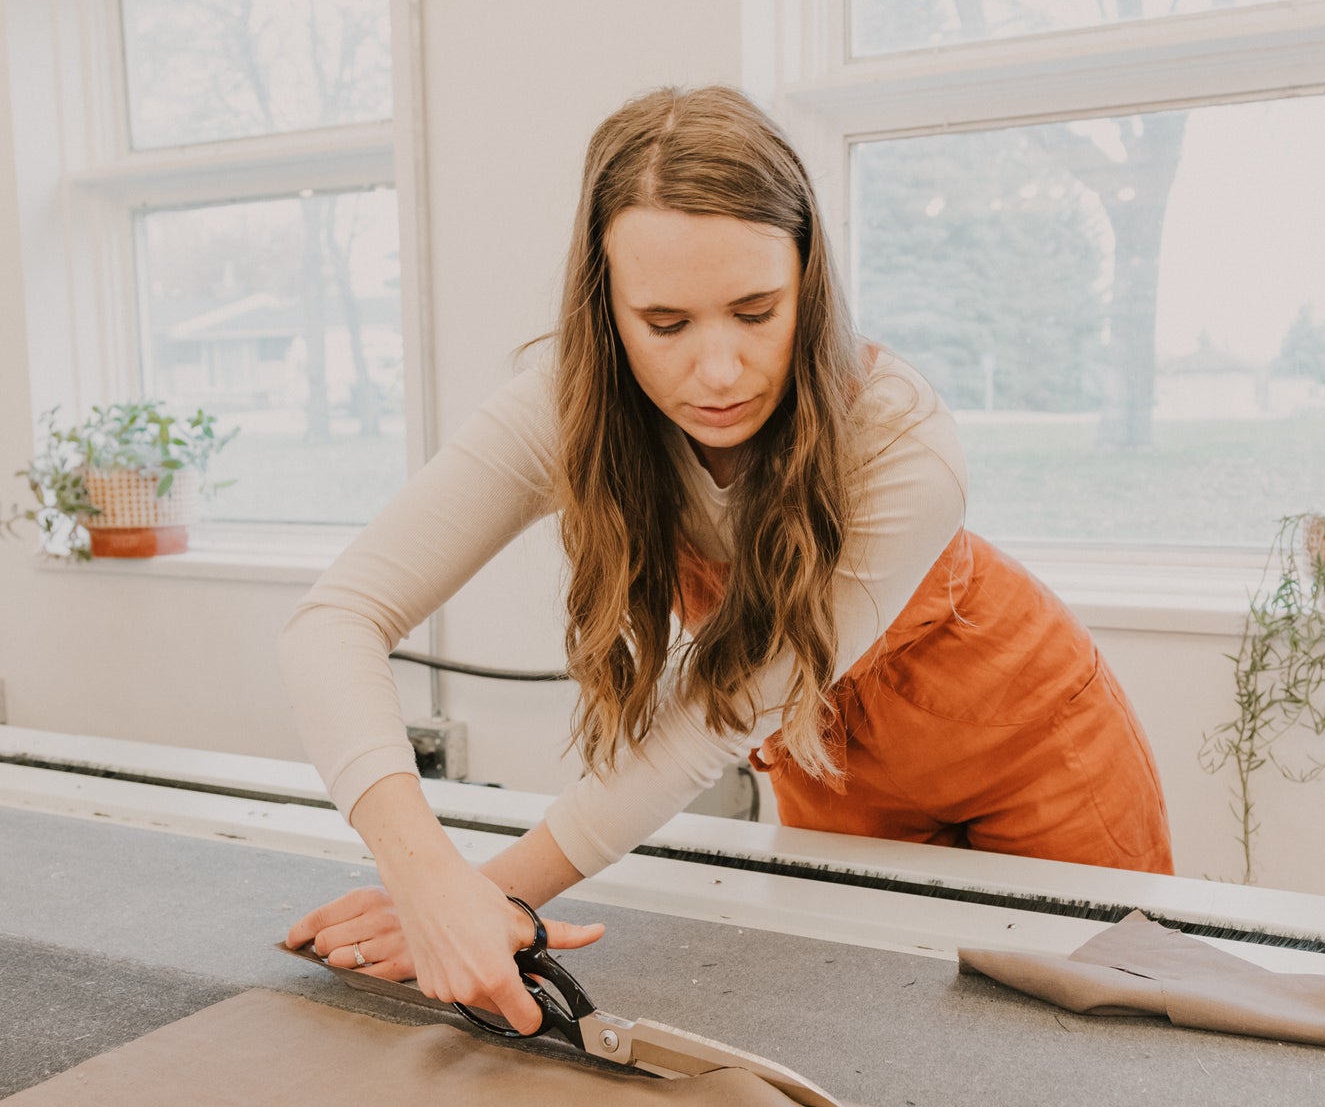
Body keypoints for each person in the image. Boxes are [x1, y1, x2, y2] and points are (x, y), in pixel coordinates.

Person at [281, 86, 1171, 1032]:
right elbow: (334, 620)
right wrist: (429, 886)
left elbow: (719, 711)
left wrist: (494, 897)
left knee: (1103, 1045)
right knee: (872, 1040)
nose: (717, 372)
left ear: (809, 282)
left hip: (1036, 754)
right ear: (607, 309)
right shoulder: (568, 408)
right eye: (665, 324)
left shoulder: (904, 440)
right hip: (831, 770)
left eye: (756, 312)